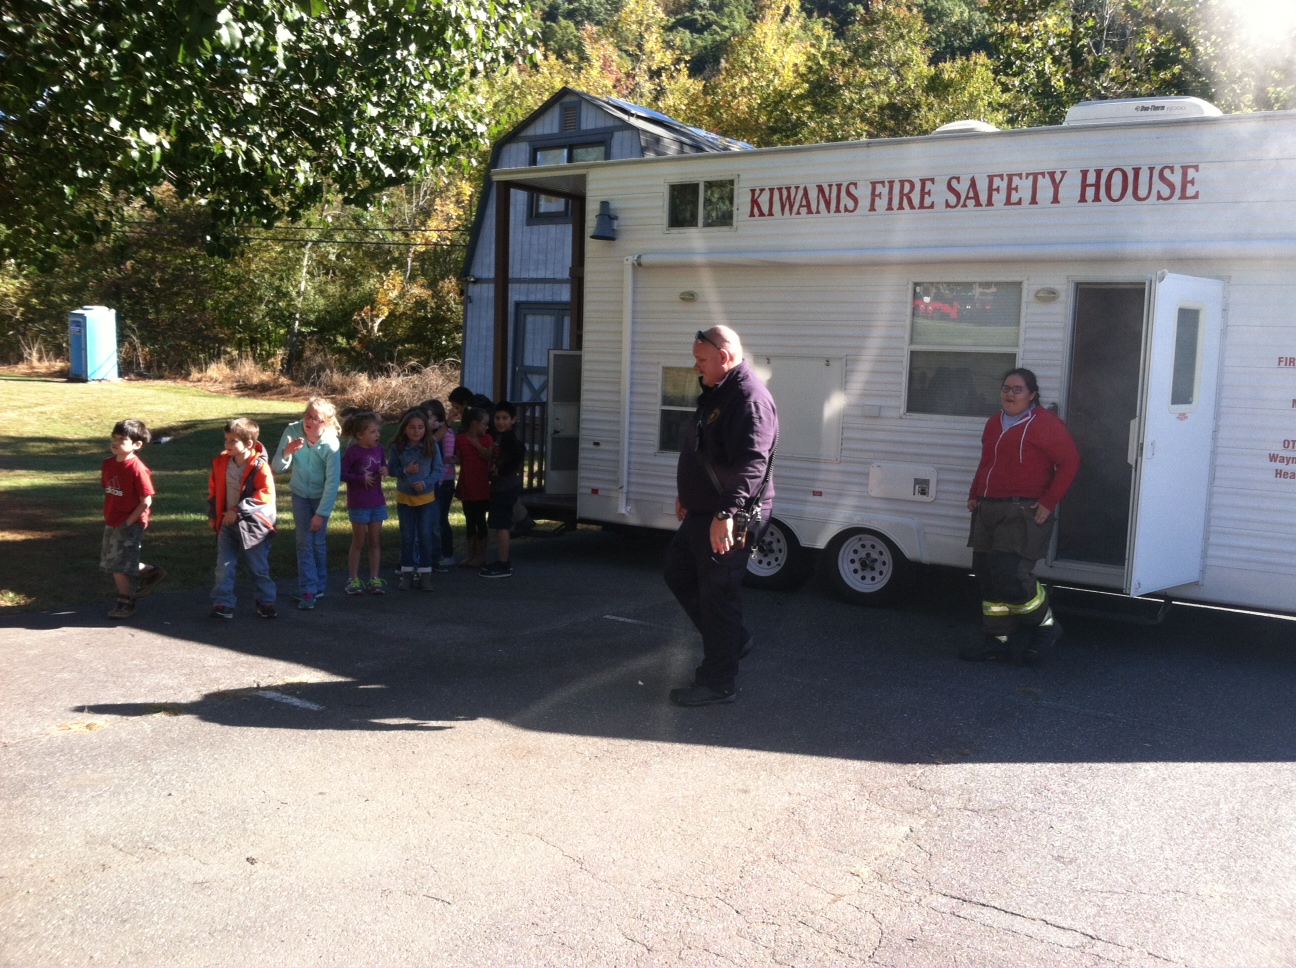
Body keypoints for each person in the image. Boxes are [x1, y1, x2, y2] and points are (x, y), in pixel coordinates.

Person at [664, 326, 778, 707]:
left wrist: (726, 512)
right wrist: (688, 494)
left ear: (724, 357)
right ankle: (733, 641)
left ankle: (718, 682)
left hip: (729, 517)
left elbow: (752, 464)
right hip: (704, 512)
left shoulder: (748, 399)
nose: (696, 367)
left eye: (701, 360)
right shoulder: (720, 391)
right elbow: (705, 450)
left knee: (718, 597)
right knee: (678, 572)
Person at [961, 367, 1080, 665]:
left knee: (1010, 574)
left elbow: (1070, 462)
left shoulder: (1045, 423)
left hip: (1022, 512)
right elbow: (987, 461)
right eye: (1006, 388)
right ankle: (997, 641)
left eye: (1017, 389)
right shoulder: (994, 423)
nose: (1010, 394)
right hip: (988, 508)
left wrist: (1049, 502)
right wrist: (975, 492)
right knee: (986, 574)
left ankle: (1046, 627)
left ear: (1032, 394)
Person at [272, 397, 341, 611]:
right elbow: (277, 467)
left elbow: (333, 482)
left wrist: (321, 513)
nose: (309, 422)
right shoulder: (292, 431)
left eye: (316, 419)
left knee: (317, 541)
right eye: (307, 416)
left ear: (326, 422)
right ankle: (308, 588)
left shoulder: (331, 444)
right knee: (303, 541)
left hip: (321, 496)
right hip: (300, 494)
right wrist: (287, 452)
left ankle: (318, 586)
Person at [207, 418, 277, 619]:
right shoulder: (221, 463)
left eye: (233, 441)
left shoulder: (259, 466)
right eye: (226, 440)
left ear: (248, 444)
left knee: (258, 567)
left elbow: (264, 494)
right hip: (227, 523)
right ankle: (223, 603)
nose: (227, 444)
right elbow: (213, 490)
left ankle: (266, 602)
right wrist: (213, 515)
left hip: (254, 526)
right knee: (224, 565)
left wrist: (237, 510)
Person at [100, 419, 166, 620]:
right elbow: (111, 492)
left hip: (131, 522)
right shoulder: (108, 464)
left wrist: (129, 522)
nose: (115, 442)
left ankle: (126, 602)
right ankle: (151, 572)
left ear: (137, 444)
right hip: (112, 520)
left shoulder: (137, 468)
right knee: (113, 561)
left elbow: (146, 501)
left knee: (119, 563)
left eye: (122, 439)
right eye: (114, 437)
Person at [388, 407, 442, 590]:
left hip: (426, 500)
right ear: (405, 429)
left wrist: (425, 483)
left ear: (426, 429)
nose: (416, 431)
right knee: (407, 536)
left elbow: (438, 470)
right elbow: (391, 469)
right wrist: (406, 470)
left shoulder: (431, 445)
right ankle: (407, 574)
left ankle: (425, 574)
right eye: (412, 427)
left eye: (420, 427)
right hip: (405, 500)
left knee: (425, 535)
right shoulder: (398, 447)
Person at [340, 411, 389, 595]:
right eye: (372, 431)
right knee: (359, 541)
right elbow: (341, 473)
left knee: (375, 541)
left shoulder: (379, 449)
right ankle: (353, 578)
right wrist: (360, 479)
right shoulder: (353, 452)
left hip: (377, 502)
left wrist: (385, 469)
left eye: (378, 431)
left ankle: (374, 578)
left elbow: (384, 465)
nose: (377, 435)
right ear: (360, 435)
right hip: (359, 503)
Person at [480, 400, 525, 578]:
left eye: (505, 418)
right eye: (498, 418)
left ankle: (504, 563)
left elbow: (515, 458)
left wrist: (498, 472)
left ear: (513, 420)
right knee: (499, 524)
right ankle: (502, 560)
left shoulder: (510, 439)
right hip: (499, 486)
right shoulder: (499, 436)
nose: (500, 421)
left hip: (506, 487)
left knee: (502, 525)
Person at [454, 407, 493, 569]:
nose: (487, 427)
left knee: (480, 519)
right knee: (469, 520)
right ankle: (470, 555)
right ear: (475, 424)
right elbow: (458, 458)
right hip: (466, 484)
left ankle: (481, 556)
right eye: (485, 424)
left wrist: (478, 446)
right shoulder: (460, 439)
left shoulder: (487, 439)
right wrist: (450, 459)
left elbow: (489, 457)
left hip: (481, 485)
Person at [422, 399, 458, 569]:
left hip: (444, 483)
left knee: (440, 520)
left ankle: (446, 553)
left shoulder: (446, 434)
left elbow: (446, 462)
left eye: (430, 416)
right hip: (435, 483)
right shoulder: (428, 436)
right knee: (433, 521)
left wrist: (440, 481)